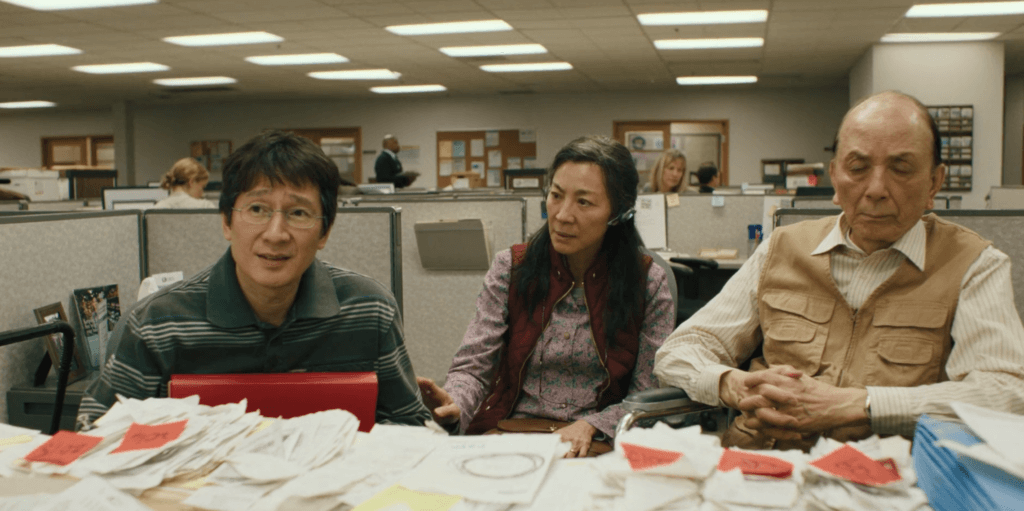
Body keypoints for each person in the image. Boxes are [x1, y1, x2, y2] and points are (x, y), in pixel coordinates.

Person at [654, 91, 1024, 451]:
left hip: (888, 480)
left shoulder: (973, 263)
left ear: (934, 182)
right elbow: (679, 351)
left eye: (901, 168)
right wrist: (732, 384)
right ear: (835, 176)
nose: (876, 189)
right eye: (858, 168)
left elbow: (1006, 393)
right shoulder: (782, 248)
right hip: (763, 467)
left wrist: (858, 405)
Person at [78, 130, 431, 430]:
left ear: (324, 232)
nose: (275, 234)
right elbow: (95, 435)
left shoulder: (368, 308)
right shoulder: (157, 323)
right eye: (257, 209)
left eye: (298, 213)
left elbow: (409, 428)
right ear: (227, 223)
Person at [417, 135, 675, 457]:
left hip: (597, 443)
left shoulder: (647, 282)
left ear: (618, 211)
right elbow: (474, 367)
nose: (563, 215)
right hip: (511, 435)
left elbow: (647, 394)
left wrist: (596, 425)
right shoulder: (511, 269)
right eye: (556, 195)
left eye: (584, 202)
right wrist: (454, 403)